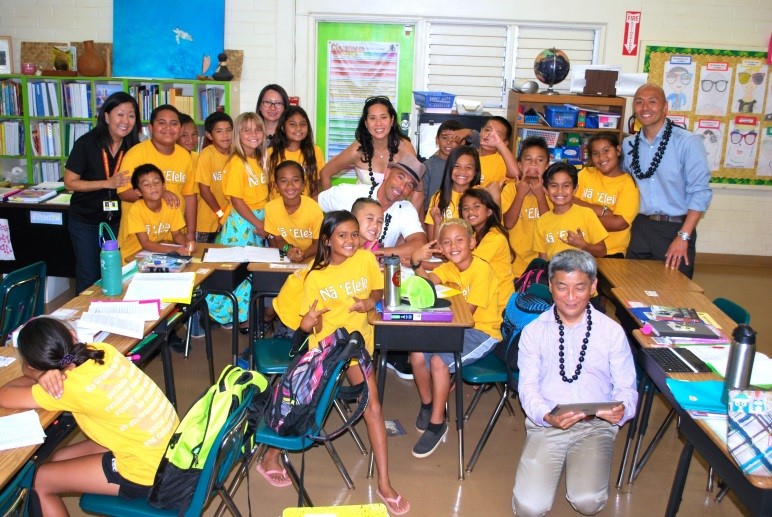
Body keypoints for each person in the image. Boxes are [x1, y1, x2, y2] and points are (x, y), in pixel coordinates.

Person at [258, 211, 410, 515]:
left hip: (355, 349)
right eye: (342, 235)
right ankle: (269, 457)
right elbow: (308, 328)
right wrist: (308, 322)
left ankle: (384, 483)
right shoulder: (315, 277)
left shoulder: (366, 261)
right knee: (305, 407)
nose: (351, 240)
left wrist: (371, 301)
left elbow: (379, 289)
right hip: (324, 353)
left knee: (374, 408)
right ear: (327, 241)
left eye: (354, 234)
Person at [0, 317, 179, 515]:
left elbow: (4, 395)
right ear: (72, 335)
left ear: (35, 365)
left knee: (39, 481)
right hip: (168, 447)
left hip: (151, 473)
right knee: (60, 457)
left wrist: (36, 375)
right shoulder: (102, 350)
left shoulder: (65, 387)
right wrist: (41, 373)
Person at [512, 249, 637, 517]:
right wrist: (546, 416)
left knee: (588, 502)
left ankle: (581, 458)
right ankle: (553, 454)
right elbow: (528, 387)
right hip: (548, 424)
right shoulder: (534, 332)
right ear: (550, 286)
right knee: (529, 509)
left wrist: (622, 409)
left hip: (595, 426)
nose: (570, 297)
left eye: (579, 288)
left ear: (593, 287)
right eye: (562, 287)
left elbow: (627, 388)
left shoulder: (612, 332)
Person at [408, 219, 502, 458]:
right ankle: (428, 404)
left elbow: (466, 315)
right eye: (447, 242)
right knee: (416, 354)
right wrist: (416, 262)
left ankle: (438, 423)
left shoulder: (481, 269)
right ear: (440, 247)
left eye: (460, 240)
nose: (454, 246)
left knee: (439, 361)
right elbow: (427, 286)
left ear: (472, 242)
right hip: (455, 327)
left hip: (481, 331)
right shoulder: (449, 267)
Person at [621, 84, 712, 278]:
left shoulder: (687, 142)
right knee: (632, 292)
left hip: (676, 228)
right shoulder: (629, 144)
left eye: (652, 101)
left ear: (665, 107)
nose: (645, 107)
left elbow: (701, 192)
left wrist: (683, 236)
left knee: (673, 295)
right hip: (641, 227)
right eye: (639, 102)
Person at [64, 91, 141, 293]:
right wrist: (106, 183)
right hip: (86, 221)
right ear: (107, 116)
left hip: (118, 221)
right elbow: (70, 183)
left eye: (131, 115)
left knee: (116, 273)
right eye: (120, 114)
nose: (126, 121)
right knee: (90, 276)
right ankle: (83, 319)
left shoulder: (134, 147)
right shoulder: (86, 144)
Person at [207, 112, 270, 331]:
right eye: (247, 130)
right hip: (242, 223)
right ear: (238, 135)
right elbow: (236, 199)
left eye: (257, 129)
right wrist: (258, 224)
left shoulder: (259, 159)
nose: (253, 134)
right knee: (239, 271)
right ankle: (235, 317)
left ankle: (243, 316)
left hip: (256, 220)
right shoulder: (236, 162)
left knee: (250, 271)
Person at [319, 96, 421, 212]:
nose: (378, 123)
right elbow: (325, 173)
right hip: (361, 215)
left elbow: (418, 191)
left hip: (394, 215)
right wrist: (333, 215)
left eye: (383, 117)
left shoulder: (405, 148)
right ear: (366, 123)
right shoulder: (357, 150)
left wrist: (410, 221)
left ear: (392, 120)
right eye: (372, 118)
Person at [116, 104, 196, 252]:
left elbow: (190, 196)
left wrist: (190, 234)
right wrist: (160, 195)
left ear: (180, 129)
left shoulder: (185, 156)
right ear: (151, 128)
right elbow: (123, 192)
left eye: (174, 123)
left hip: (174, 237)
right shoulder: (136, 154)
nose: (168, 128)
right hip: (138, 243)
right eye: (161, 123)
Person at [318, 154, 428, 261]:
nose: (401, 187)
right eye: (400, 177)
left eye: (409, 185)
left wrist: (376, 253)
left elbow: (419, 244)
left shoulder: (406, 209)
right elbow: (312, 204)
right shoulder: (350, 193)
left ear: (411, 192)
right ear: (387, 173)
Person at [573, 133, 640, 257]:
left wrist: (581, 219)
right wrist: (601, 210)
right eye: (595, 153)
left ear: (618, 150)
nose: (601, 157)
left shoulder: (627, 184)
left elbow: (620, 223)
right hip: (579, 250)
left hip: (612, 252)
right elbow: (570, 201)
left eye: (606, 151)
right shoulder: (586, 174)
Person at [119, 164, 195, 262]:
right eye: (146, 184)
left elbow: (177, 234)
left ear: (163, 186)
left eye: (156, 182)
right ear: (138, 192)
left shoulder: (171, 205)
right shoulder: (136, 209)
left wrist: (187, 243)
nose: (153, 187)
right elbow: (145, 243)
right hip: (132, 258)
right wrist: (174, 250)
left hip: (154, 256)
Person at [534, 163, 608, 260]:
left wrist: (583, 244)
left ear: (575, 189)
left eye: (566, 186)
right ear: (545, 190)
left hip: (582, 273)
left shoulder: (587, 214)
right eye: (554, 185)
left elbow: (602, 251)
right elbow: (543, 259)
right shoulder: (541, 222)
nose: (560, 191)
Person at [501, 136, 551, 277]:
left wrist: (540, 195)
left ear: (547, 166)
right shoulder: (510, 189)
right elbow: (508, 223)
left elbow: (549, 225)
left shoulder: (551, 190)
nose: (533, 164)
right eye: (528, 159)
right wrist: (520, 194)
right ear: (520, 165)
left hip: (541, 262)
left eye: (539, 160)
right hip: (513, 263)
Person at [460, 188, 515, 312]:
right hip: (484, 298)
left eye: (476, 206)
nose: (470, 211)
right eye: (465, 208)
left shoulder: (495, 237)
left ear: (489, 211)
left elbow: (466, 264)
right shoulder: (473, 234)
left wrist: (421, 263)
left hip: (499, 307)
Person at [264, 160, 323, 263]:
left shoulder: (314, 208)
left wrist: (303, 254)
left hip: (310, 256)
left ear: (303, 185)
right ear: (276, 187)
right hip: (287, 255)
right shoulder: (271, 208)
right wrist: (289, 250)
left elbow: (318, 244)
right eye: (283, 181)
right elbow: (279, 240)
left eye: (295, 180)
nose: (290, 185)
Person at [267, 105, 325, 198]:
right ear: (283, 128)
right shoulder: (270, 153)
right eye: (292, 124)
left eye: (302, 124)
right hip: (277, 209)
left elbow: (316, 185)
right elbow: (268, 187)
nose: (298, 128)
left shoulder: (315, 151)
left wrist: (312, 208)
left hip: (305, 209)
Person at [425, 146, 481, 241]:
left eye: (468, 167)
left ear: (475, 171)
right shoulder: (438, 197)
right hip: (444, 253)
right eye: (456, 166)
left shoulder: (481, 197)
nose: (462, 171)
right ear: (449, 168)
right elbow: (433, 245)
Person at [195, 111, 233, 244]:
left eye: (228, 130)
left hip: (230, 219)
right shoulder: (207, 154)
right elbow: (204, 190)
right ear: (209, 135)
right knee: (204, 259)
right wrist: (220, 214)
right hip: (207, 222)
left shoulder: (236, 154)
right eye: (219, 131)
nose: (225, 135)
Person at [422, 120, 474, 215]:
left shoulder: (466, 162)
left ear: (462, 142)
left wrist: (468, 132)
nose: (449, 142)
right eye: (444, 138)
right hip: (435, 217)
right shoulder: (428, 166)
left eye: (454, 139)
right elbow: (422, 199)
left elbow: (481, 142)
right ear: (437, 140)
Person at [477, 116, 519, 186]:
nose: (489, 134)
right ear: (481, 130)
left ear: (504, 144)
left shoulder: (503, 161)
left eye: (496, 135)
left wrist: (499, 144)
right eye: (487, 130)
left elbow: (516, 174)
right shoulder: (468, 154)